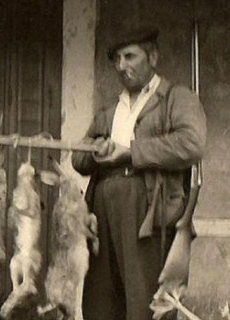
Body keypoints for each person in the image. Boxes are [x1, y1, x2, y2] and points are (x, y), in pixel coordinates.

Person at [72, 25, 207, 320]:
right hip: (102, 213)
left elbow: (191, 144)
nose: (122, 66)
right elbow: (77, 160)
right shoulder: (109, 111)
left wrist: (131, 151)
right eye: (117, 59)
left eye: (130, 56)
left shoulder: (176, 99)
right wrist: (96, 149)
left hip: (148, 212)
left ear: (153, 57)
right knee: (100, 304)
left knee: (144, 304)